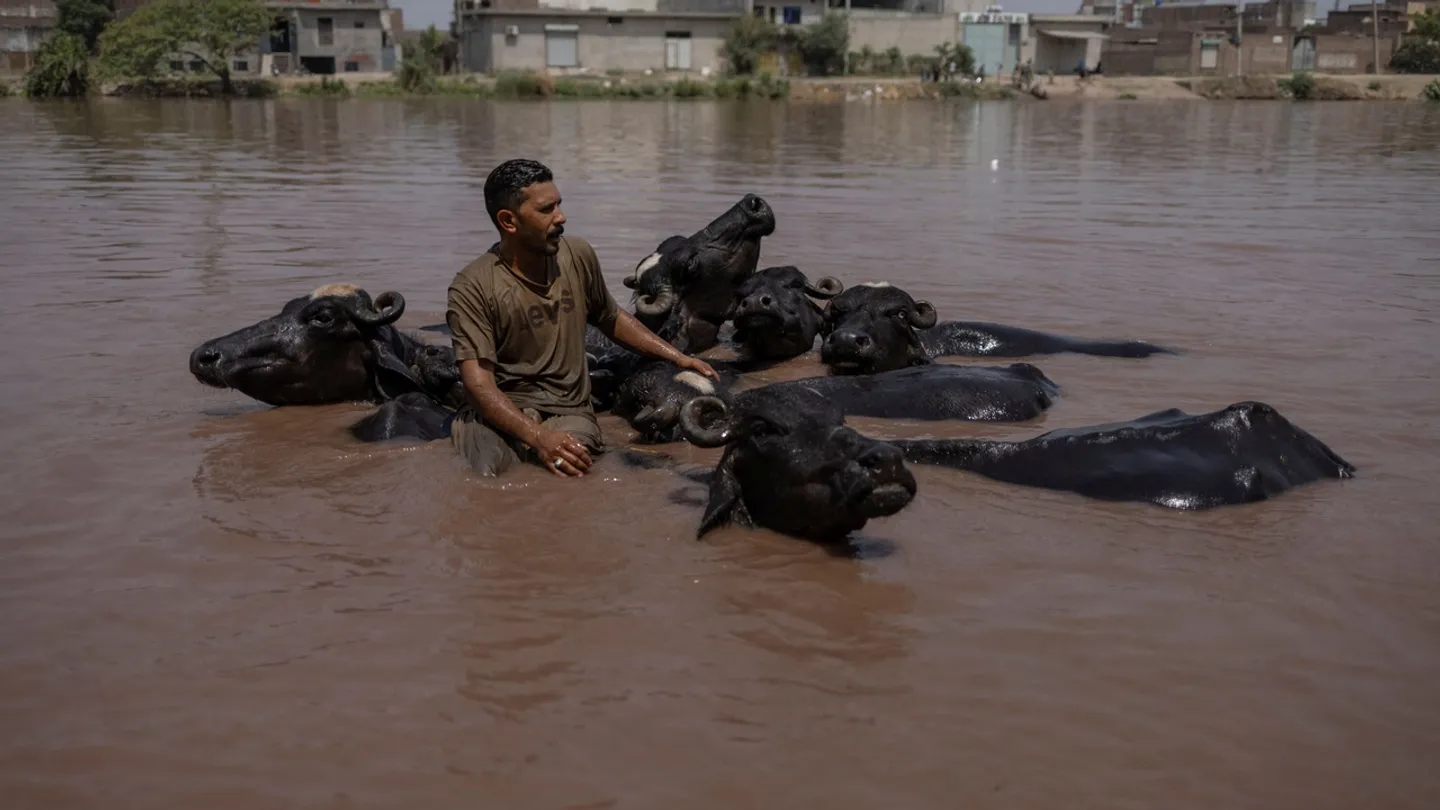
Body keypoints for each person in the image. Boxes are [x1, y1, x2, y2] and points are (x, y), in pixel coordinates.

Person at [446, 158, 718, 478]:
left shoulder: (578, 256)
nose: (561, 217)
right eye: (547, 209)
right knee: (487, 480)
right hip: (496, 414)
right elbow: (478, 384)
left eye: (559, 204)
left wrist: (678, 357)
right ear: (509, 221)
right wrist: (537, 437)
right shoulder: (472, 286)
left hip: (567, 410)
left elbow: (611, 317)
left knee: (573, 473)